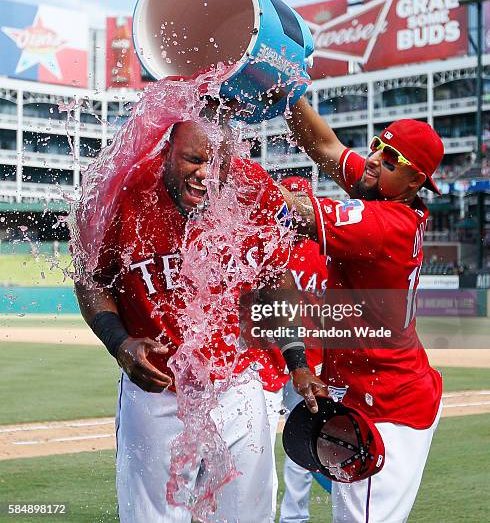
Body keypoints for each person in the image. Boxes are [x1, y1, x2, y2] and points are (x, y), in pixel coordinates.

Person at [74, 111, 292, 523]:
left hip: (236, 380)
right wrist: (119, 342)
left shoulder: (255, 190)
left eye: (218, 165)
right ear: (167, 150)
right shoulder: (125, 192)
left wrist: (296, 359)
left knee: (249, 515)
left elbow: (274, 279)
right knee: (150, 517)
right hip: (156, 385)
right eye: (193, 159)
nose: (206, 175)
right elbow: (91, 279)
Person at [278, 97, 444, 523]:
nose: (373, 160)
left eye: (390, 159)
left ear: (414, 180)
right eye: (375, 146)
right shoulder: (380, 189)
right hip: (379, 389)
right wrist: (284, 85)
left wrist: (221, 165)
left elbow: (295, 211)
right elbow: (325, 144)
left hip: (388, 409)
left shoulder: (388, 224)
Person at [277, 176, 328, 523]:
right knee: (300, 445)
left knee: (298, 446)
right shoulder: (265, 243)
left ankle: (292, 517)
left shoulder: (322, 251)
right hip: (279, 360)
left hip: (296, 361)